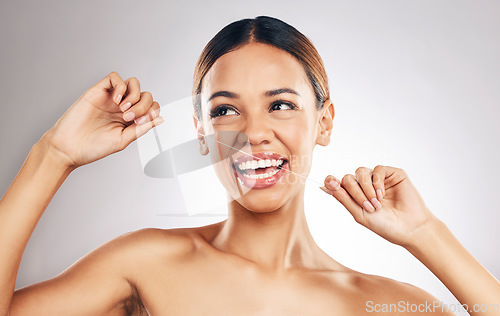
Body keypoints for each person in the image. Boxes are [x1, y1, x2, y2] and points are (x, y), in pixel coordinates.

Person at [0, 16, 498, 316]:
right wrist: (54, 155)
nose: (254, 132)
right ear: (201, 133)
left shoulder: (379, 302)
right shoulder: (147, 264)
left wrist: (426, 232)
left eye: (280, 104)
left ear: (324, 122)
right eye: (225, 110)